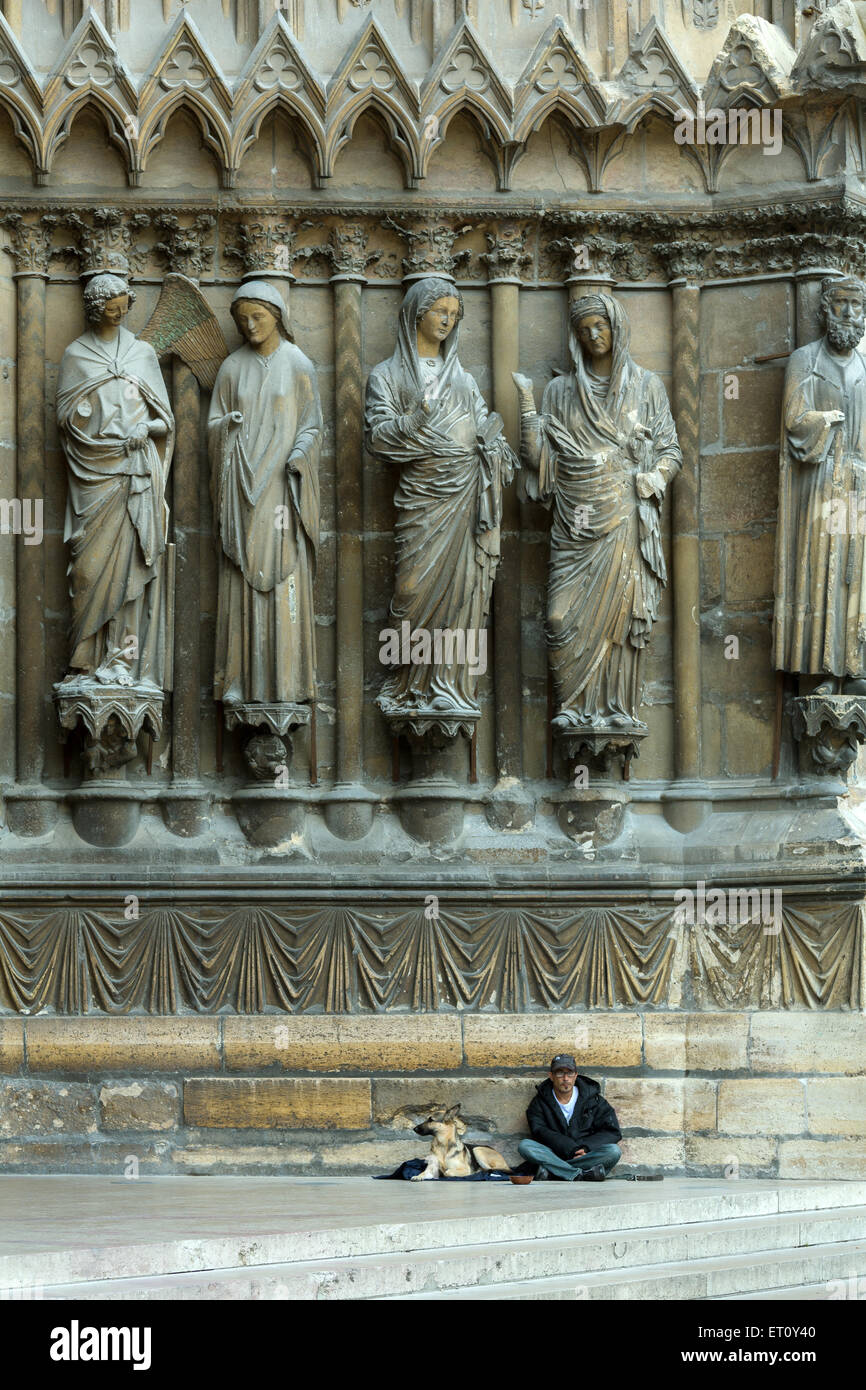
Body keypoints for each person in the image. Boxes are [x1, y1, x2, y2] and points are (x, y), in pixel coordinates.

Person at [513, 294, 681, 733]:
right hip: (575, 519)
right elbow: (539, 463)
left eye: (600, 326)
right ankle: (573, 704)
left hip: (624, 515)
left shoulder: (646, 386)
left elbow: (671, 449)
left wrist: (656, 477)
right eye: (585, 329)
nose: (593, 335)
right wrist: (528, 409)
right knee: (559, 615)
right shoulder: (560, 391)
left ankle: (615, 709)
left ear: (618, 328)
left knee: (621, 619)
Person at [365, 276, 518, 719]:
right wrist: (412, 423)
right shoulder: (387, 375)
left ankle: (449, 685)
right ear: (417, 314)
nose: (448, 320)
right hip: (422, 501)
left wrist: (494, 448)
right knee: (411, 587)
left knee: (462, 592)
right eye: (440, 312)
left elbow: (486, 434)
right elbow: (378, 438)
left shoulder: (464, 380)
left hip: (466, 496)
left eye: (454, 314)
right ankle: (408, 684)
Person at [57, 271, 174, 688]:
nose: (119, 314)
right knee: (86, 571)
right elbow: (65, 418)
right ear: (95, 309)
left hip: (134, 472)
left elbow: (166, 419)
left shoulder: (142, 353)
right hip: (93, 473)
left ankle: (121, 659)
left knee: (130, 569)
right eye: (111, 309)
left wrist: (148, 429)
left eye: (124, 307)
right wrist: (88, 425)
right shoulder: (76, 355)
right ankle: (83, 660)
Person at [208, 281, 322, 709]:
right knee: (239, 580)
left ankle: (289, 680)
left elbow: (313, 425)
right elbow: (213, 423)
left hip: (282, 488)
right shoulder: (231, 367)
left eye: (258, 316)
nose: (250, 325)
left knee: (286, 574)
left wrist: (300, 455)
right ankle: (237, 678)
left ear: (278, 316)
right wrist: (227, 428)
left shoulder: (298, 364)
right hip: (242, 490)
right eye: (242, 320)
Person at [774, 276, 866, 693]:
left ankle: (854, 664)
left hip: (858, 484)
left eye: (857, 306)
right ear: (825, 309)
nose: (849, 313)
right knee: (822, 569)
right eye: (841, 304)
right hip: (822, 479)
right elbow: (795, 419)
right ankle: (823, 667)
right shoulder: (805, 359)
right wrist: (825, 421)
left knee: (854, 572)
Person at [518, 1053, 622, 1182]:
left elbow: (612, 1131)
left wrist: (585, 1148)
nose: (565, 1078)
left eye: (570, 1073)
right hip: (554, 1155)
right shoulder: (539, 1102)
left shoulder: (594, 1100)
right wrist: (570, 1149)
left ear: (576, 1075)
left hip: (584, 1156)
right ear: (551, 1076)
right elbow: (539, 1130)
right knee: (525, 1146)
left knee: (613, 1151)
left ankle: (556, 1172)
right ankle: (580, 1174)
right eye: (560, 1073)